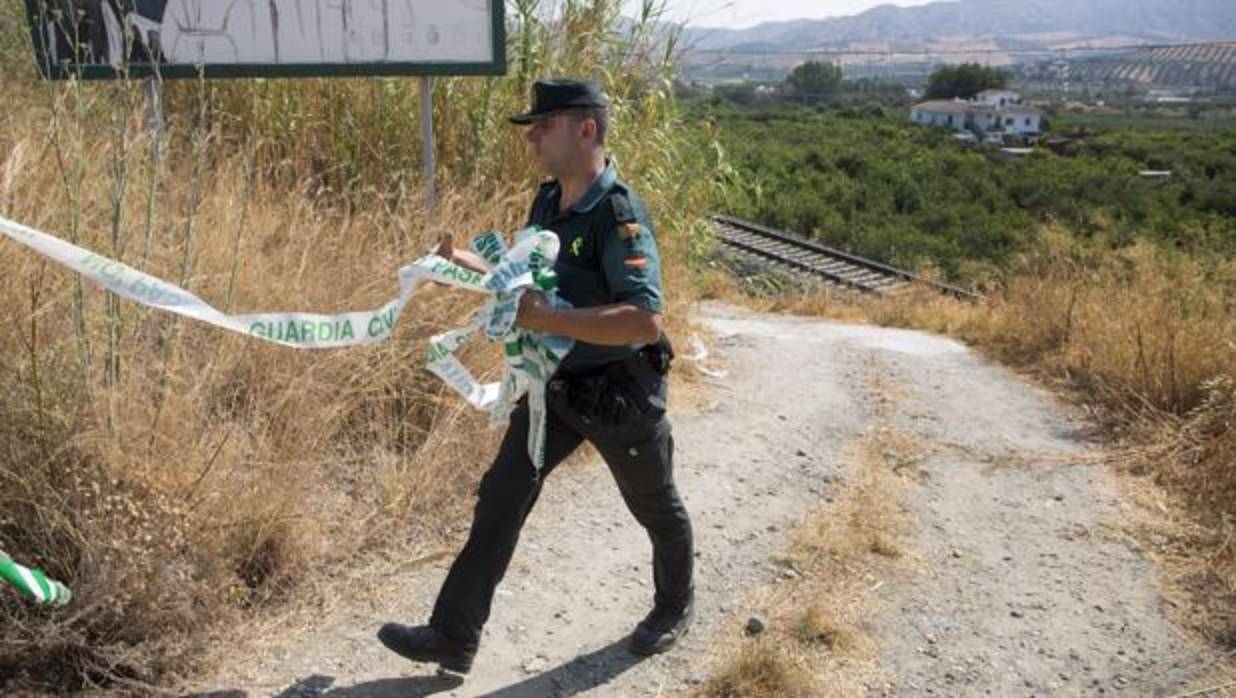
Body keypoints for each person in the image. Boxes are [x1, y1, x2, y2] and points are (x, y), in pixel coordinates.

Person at [377, 79, 695, 675]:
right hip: (553, 387)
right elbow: (522, 279)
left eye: (543, 125)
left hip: (619, 393)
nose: (532, 137)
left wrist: (551, 318)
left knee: (654, 505)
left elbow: (645, 321)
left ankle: (674, 605)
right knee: (500, 496)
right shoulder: (548, 203)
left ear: (586, 129)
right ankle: (453, 637)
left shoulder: (619, 215)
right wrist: (463, 267)